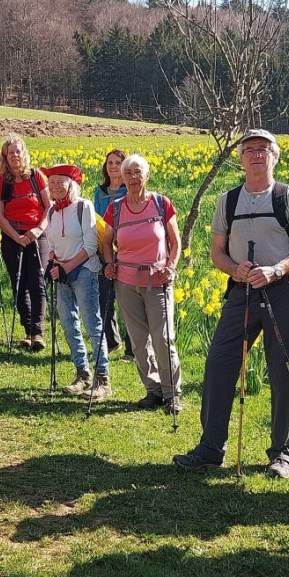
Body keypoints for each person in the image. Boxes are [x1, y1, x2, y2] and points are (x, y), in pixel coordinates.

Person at [172, 130, 289, 478]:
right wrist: (235, 269)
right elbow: (217, 251)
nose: (256, 154)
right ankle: (210, 448)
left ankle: (281, 455)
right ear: (241, 159)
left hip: (284, 292)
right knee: (218, 364)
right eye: (249, 150)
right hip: (241, 292)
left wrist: (276, 269)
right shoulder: (228, 200)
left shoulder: (288, 197)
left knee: (284, 373)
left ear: (275, 156)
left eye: (263, 149)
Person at [102, 154, 181, 414]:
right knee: (138, 341)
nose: (133, 177)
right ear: (122, 178)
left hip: (157, 280)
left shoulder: (161, 204)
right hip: (126, 282)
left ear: (147, 175)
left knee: (163, 338)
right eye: (128, 173)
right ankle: (153, 389)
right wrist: (109, 263)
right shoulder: (115, 209)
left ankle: (172, 393)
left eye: (138, 172)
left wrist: (171, 267)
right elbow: (106, 242)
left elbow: (175, 242)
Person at [44, 163, 110, 399]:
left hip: (84, 272)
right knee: (69, 324)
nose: (55, 186)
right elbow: (52, 244)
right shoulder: (52, 212)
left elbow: (90, 246)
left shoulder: (84, 207)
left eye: (60, 181)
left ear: (71, 184)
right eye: (51, 182)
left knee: (92, 325)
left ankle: (103, 379)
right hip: (61, 272)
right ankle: (83, 374)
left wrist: (67, 267)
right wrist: (52, 261)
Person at [0, 134, 52, 351]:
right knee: (19, 284)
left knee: (38, 282)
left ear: (24, 153)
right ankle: (28, 332)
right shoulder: (1, 182)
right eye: (10, 153)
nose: (15, 155)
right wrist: (16, 237)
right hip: (12, 236)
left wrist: (38, 230)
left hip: (37, 235)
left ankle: (38, 333)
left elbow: (49, 206)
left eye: (18, 151)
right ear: (5, 157)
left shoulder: (36, 176)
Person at [93, 149, 134, 361]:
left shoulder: (130, 191)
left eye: (118, 163)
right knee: (104, 298)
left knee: (128, 301)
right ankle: (111, 341)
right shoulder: (99, 192)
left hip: (126, 249)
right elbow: (95, 218)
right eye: (110, 162)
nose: (113, 166)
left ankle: (131, 349)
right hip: (104, 249)